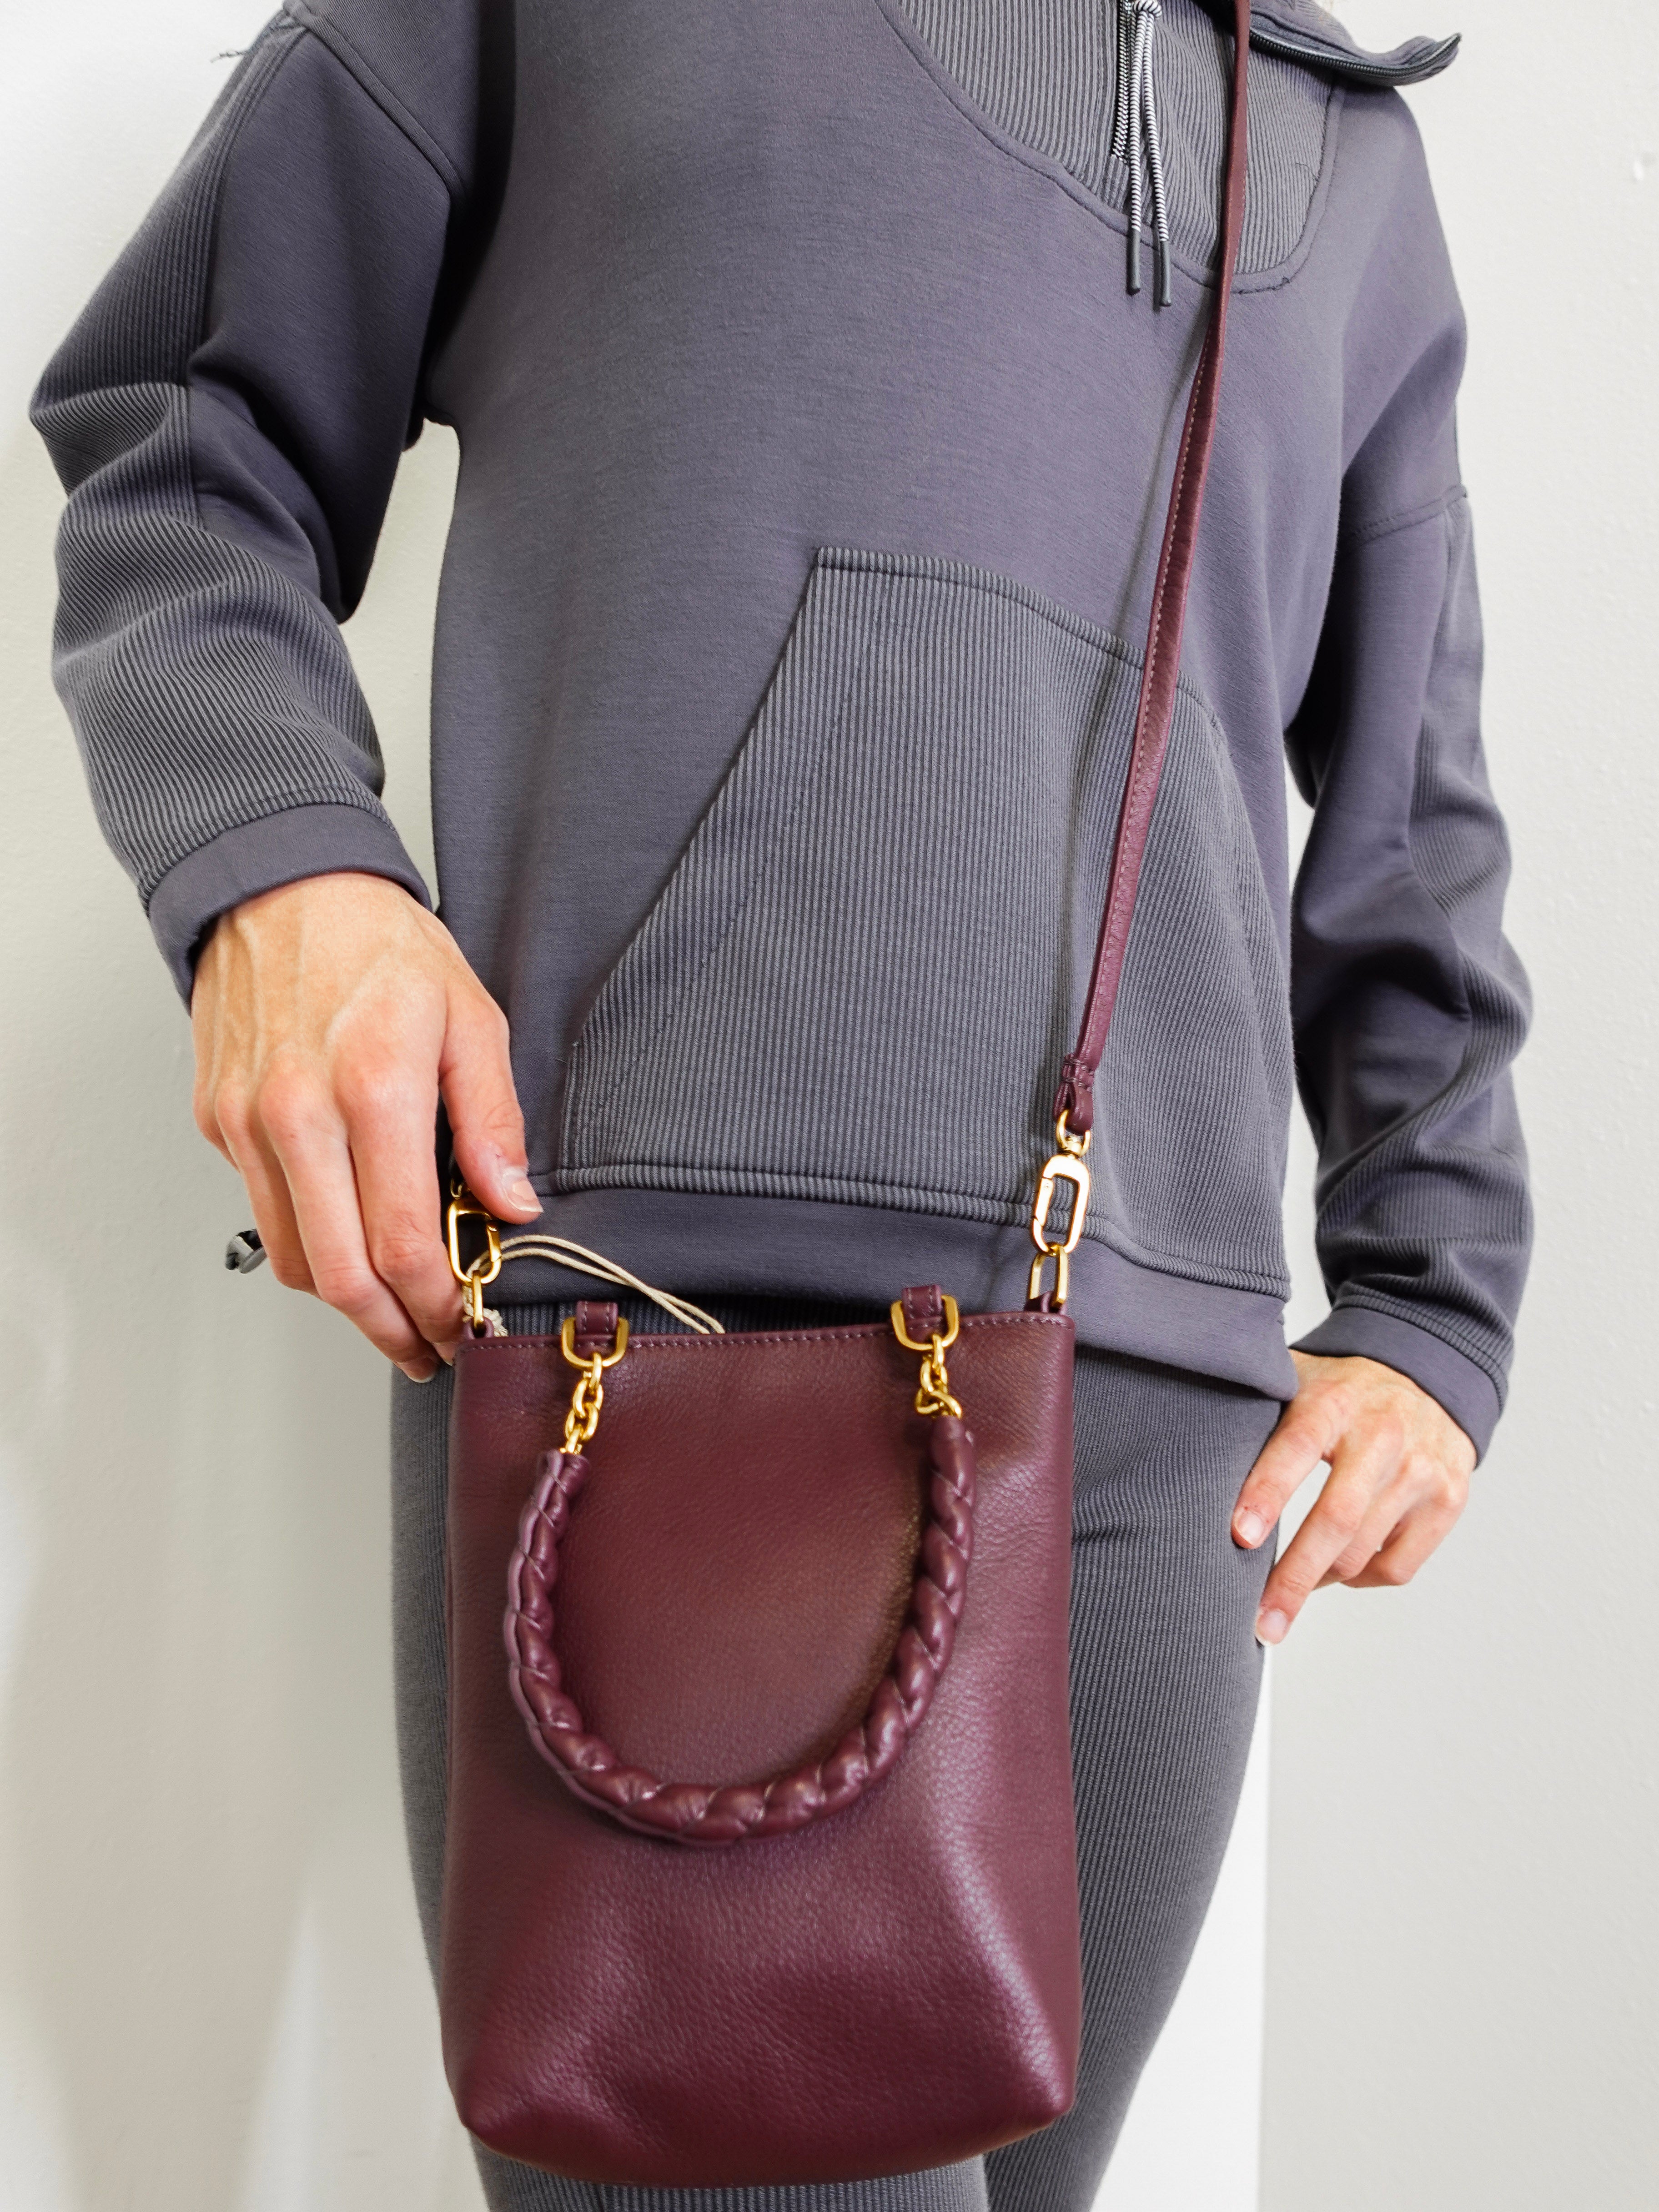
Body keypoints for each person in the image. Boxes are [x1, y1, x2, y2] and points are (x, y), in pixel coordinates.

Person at [30, 1, 1530, 2206]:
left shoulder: (1340, 150)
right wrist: (282, 863)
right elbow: (178, 422)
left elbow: (1413, 822)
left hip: (1170, 1439)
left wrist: (1436, 1302)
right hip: (680, 1369)